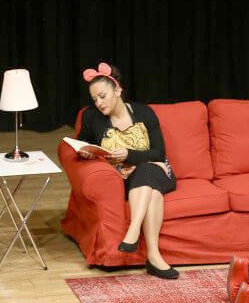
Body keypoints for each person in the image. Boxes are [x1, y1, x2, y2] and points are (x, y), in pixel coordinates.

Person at [76, 62, 179, 279]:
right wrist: (86, 152)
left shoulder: (144, 112)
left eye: (102, 96)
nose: (99, 103)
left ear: (117, 90)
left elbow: (159, 153)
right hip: (124, 179)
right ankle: (154, 257)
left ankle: (133, 231)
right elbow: (81, 143)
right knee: (152, 193)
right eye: (94, 99)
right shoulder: (91, 117)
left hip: (157, 170)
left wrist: (129, 155)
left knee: (145, 170)